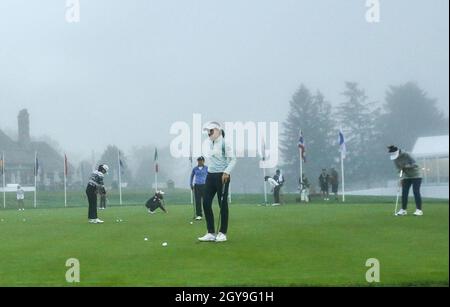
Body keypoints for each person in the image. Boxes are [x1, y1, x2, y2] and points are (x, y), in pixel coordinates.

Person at [198, 121, 237, 243]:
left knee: (222, 204)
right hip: (210, 175)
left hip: (222, 176)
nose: (208, 133)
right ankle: (210, 232)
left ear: (218, 131)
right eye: (208, 131)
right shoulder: (211, 143)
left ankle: (222, 233)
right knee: (206, 203)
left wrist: (227, 172)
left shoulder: (225, 143)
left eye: (211, 131)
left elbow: (233, 160)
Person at [388, 145, 423, 216]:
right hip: (406, 176)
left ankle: (419, 210)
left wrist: (407, 166)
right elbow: (399, 169)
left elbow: (416, 164)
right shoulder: (395, 159)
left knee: (416, 191)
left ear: (398, 152)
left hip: (416, 175)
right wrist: (401, 178)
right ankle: (403, 210)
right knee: (404, 192)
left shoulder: (407, 155)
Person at [190, 156, 208, 220]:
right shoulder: (195, 169)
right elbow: (192, 176)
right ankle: (199, 215)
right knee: (197, 201)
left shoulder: (206, 168)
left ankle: (207, 213)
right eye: (198, 161)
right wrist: (191, 184)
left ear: (203, 161)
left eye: (201, 160)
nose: (200, 162)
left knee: (206, 201)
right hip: (197, 186)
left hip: (205, 186)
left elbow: (209, 176)